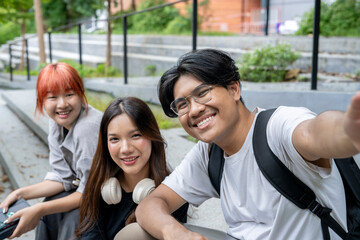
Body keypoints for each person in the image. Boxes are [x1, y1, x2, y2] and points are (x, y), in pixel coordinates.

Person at [136, 49, 360, 240]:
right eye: (182, 104)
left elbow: (315, 133)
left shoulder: (276, 127)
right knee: (136, 234)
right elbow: (152, 203)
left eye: (202, 93)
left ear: (234, 89)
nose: (194, 110)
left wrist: (348, 131)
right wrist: (173, 231)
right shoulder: (209, 152)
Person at [0, 63, 103, 239]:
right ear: (41, 101)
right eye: (52, 97)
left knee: (72, 220)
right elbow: (65, 179)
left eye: (70, 94)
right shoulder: (58, 122)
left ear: (81, 95)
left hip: (114, 197)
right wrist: (20, 193)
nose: (62, 104)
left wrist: (38, 209)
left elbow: (88, 193)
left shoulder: (87, 128)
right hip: (89, 191)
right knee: (51, 206)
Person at [75, 97, 188, 240]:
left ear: (153, 137)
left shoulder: (172, 192)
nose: (125, 149)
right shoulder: (100, 184)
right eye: (114, 139)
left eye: (136, 135)